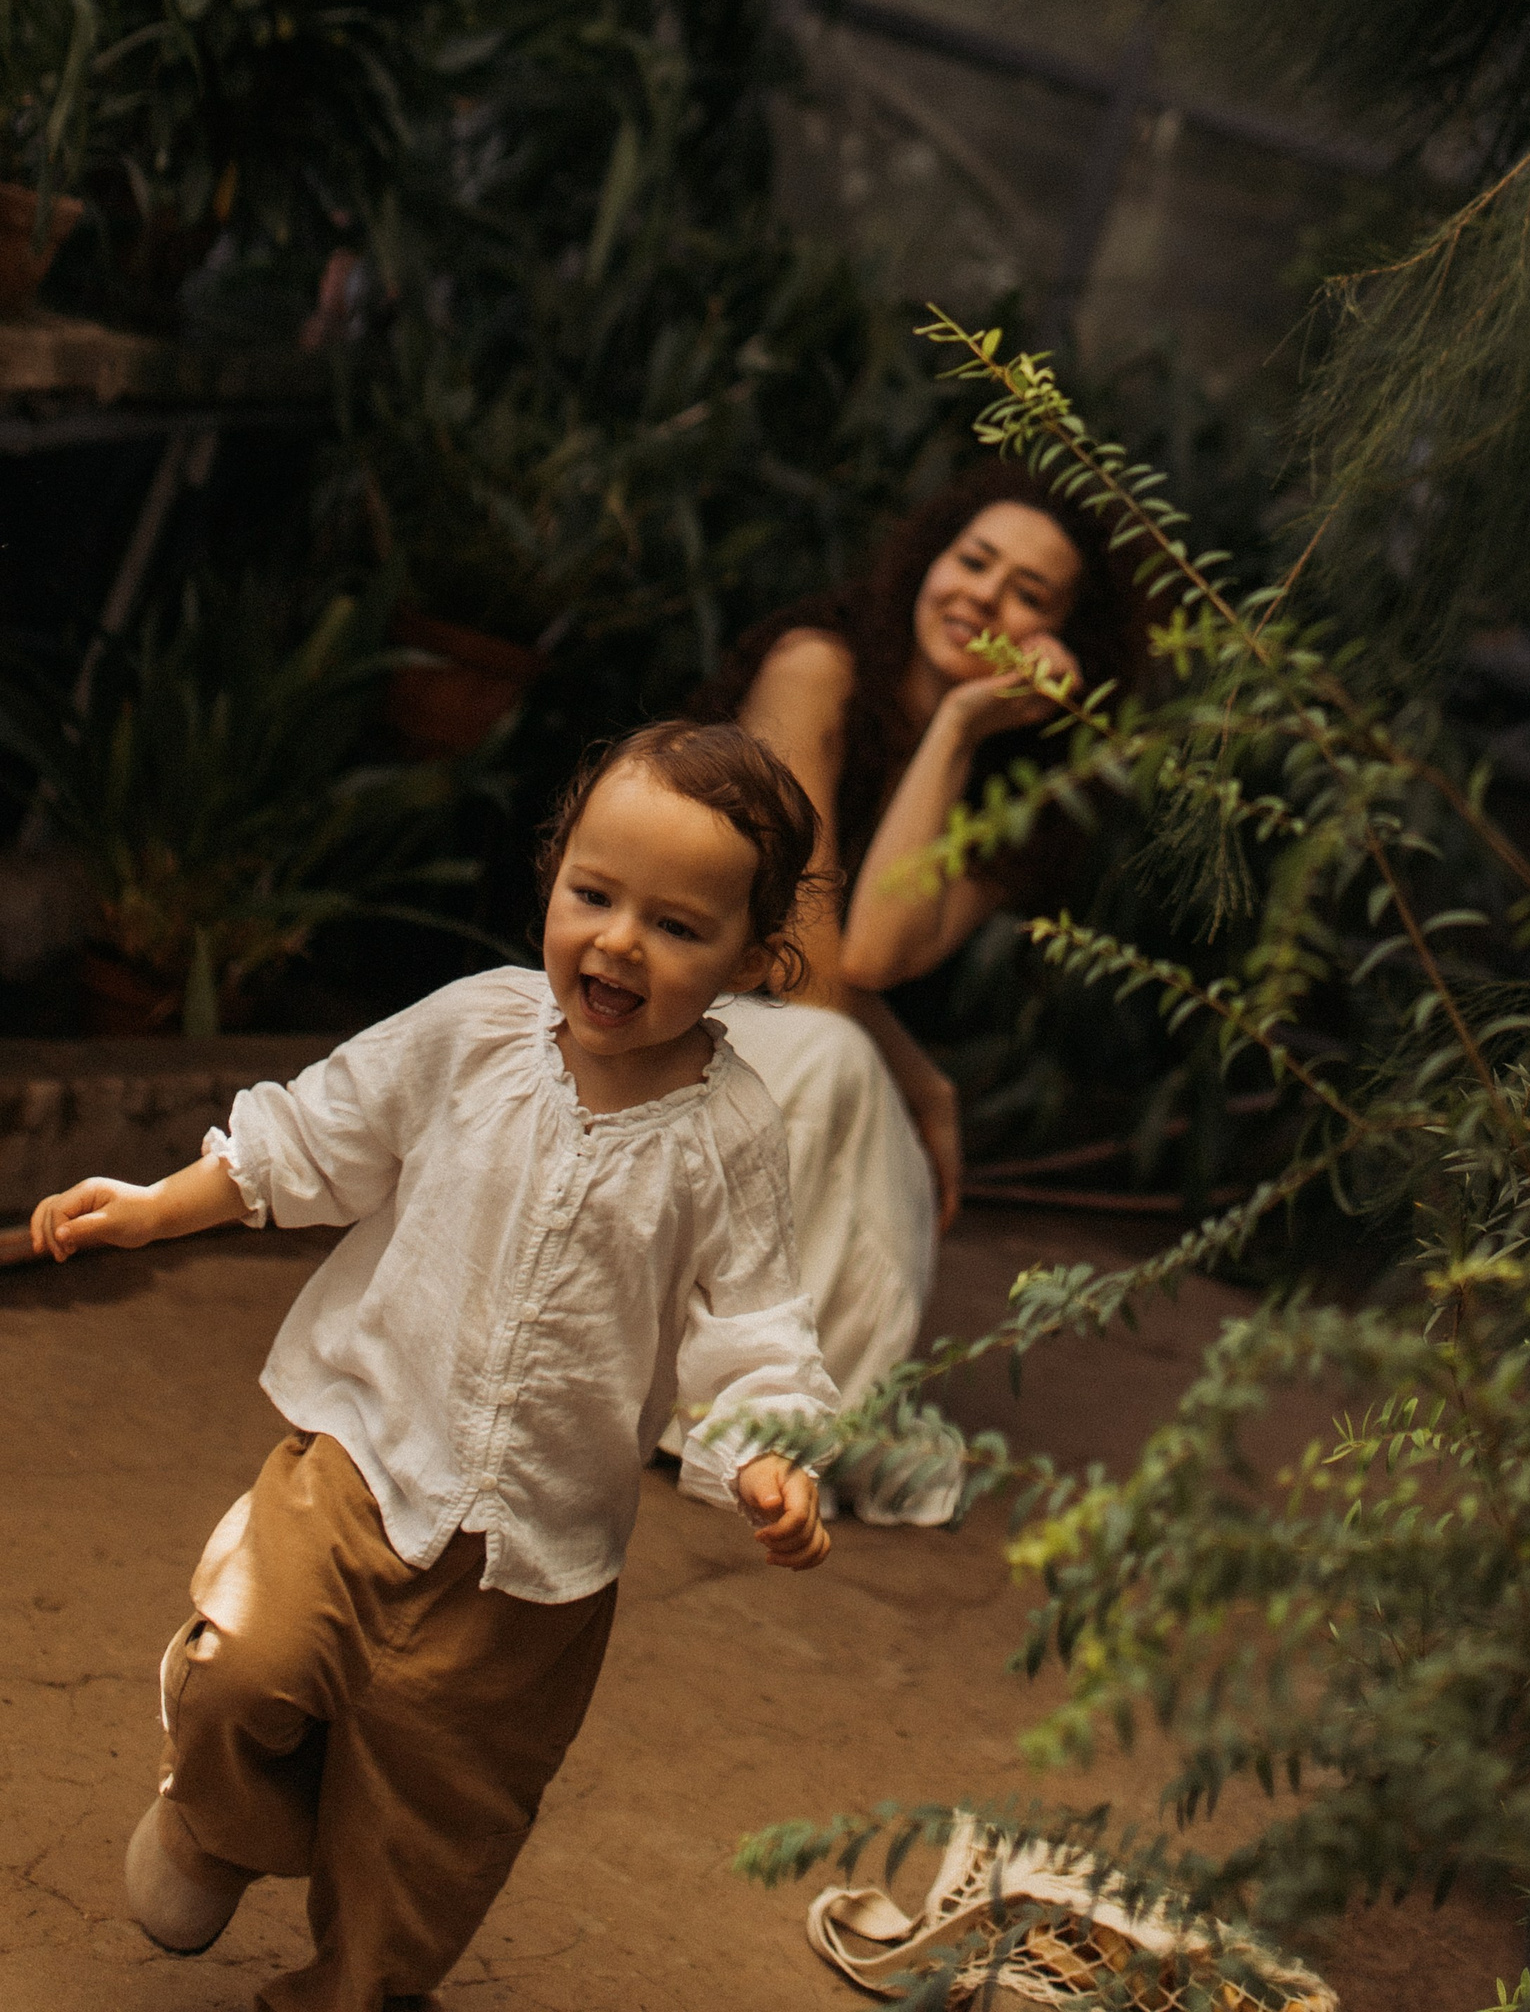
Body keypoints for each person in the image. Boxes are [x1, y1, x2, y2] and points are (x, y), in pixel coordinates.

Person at [28, 719, 839, 2012]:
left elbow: (756, 1323)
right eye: (594, 895)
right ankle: (219, 1824)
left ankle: (354, 1991)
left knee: (436, 1820)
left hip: (535, 1555)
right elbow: (313, 1138)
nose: (620, 943)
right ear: (552, 878)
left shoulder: (729, 1134)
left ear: (751, 959)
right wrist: (155, 1206)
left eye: (679, 926)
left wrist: (771, 1454)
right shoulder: (473, 1031)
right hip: (363, 1457)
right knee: (246, 1665)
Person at [690, 459, 1148, 1523]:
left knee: (881, 1140)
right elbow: (806, 973)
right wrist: (922, 1078)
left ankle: (769, 1425)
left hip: (809, 1046)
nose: (984, 598)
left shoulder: (1019, 796)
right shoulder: (815, 670)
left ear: (1065, 643)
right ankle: (726, 1412)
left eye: (1029, 595)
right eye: (973, 561)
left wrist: (958, 730)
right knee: (849, 1068)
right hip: (674, 1007)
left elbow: (875, 956)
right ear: (927, 560)